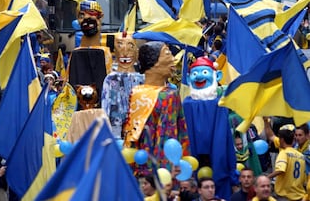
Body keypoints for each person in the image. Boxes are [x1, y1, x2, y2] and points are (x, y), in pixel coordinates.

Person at [124, 41, 189, 175]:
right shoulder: (167, 95)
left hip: (140, 168)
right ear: (153, 63)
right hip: (161, 171)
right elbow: (168, 134)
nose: (173, 59)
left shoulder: (136, 92)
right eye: (167, 54)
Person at [183, 56, 238, 200]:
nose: (200, 76)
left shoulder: (219, 105)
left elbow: (224, 138)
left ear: (217, 76)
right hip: (195, 157)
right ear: (189, 79)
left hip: (216, 158)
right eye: (195, 73)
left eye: (205, 72)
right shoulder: (187, 104)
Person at [67, 0, 112, 108]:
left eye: (91, 13)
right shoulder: (75, 53)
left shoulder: (104, 52)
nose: (86, 17)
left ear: (100, 18)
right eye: (82, 15)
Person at [101, 32, 144, 139]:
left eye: (130, 47)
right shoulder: (111, 78)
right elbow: (105, 104)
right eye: (120, 47)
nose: (125, 53)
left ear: (136, 53)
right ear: (115, 52)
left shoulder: (142, 78)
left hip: (137, 124)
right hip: (115, 125)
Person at [267, 126, 306, 201]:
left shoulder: (284, 153)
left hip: (285, 196)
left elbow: (281, 170)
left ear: (281, 140)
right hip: (299, 196)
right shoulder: (301, 156)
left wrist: (267, 177)